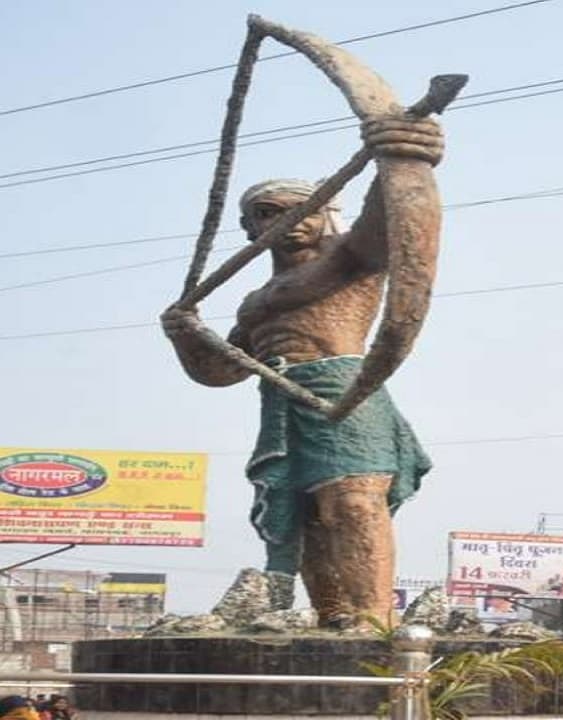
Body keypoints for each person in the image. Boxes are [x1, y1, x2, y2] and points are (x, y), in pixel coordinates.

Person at [161, 114, 444, 628]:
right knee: (305, 513)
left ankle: (374, 620)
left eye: (298, 210)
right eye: (266, 214)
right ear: (251, 228)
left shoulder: (348, 258)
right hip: (280, 398)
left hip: (340, 388)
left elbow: (386, 225)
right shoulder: (255, 301)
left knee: (353, 500)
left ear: (322, 213)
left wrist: (397, 160)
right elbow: (224, 371)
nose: (283, 222)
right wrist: (184, 334)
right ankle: (333, 615)